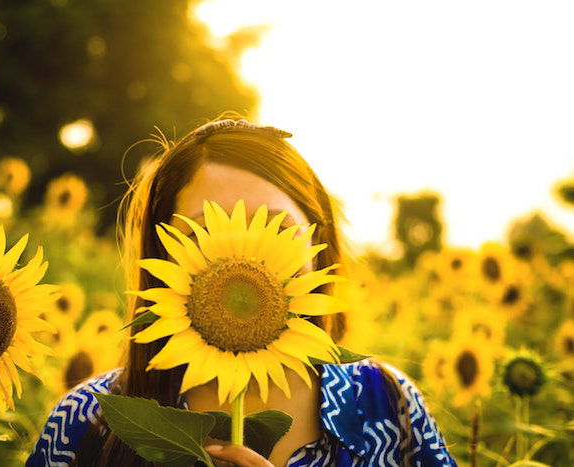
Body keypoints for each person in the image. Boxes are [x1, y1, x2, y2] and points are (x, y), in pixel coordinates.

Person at [27, 115, 457, 466]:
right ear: (162, 254)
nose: (245, 258)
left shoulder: (388, 407)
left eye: (277, 229)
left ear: (317, 243)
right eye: (205, 232)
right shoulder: (90, 423)